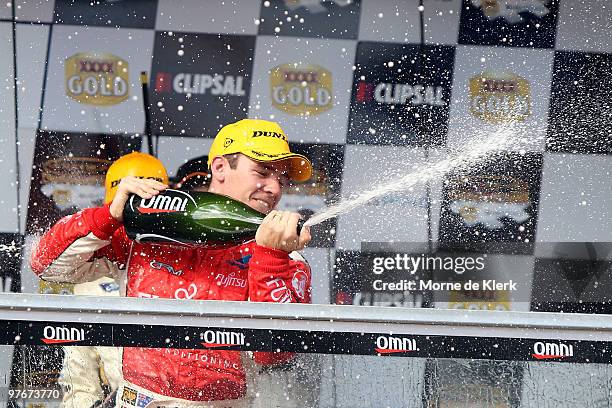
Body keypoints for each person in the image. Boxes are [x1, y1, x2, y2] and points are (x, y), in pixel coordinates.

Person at [31, 119, 313, 408]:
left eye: (282, 179)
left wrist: (270, 258)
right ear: (219, 168)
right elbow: (48, 265)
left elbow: (275, 354)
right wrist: (110, 215)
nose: (274, 188)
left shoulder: (285, 254)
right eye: (263, 172)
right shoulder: (150, 227)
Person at [58, 152, 170, 408]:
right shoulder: (88, 283)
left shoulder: (183, 262)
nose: (135, 220)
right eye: (128, 208)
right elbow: (80, 382)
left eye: (145, 208)